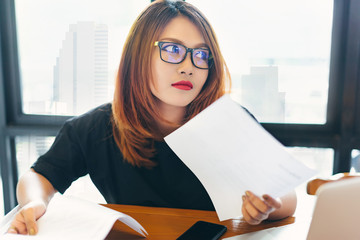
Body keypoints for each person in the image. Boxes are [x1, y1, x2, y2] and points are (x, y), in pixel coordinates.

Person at [7, 0, 297, 235]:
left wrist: (267, 206)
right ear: (138, 56)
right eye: (172, 50)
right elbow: (40, 175)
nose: (188, 67)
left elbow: (287, 198)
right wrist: (34, 202)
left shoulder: (228, 122)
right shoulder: (98, 126)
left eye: (201, 55)